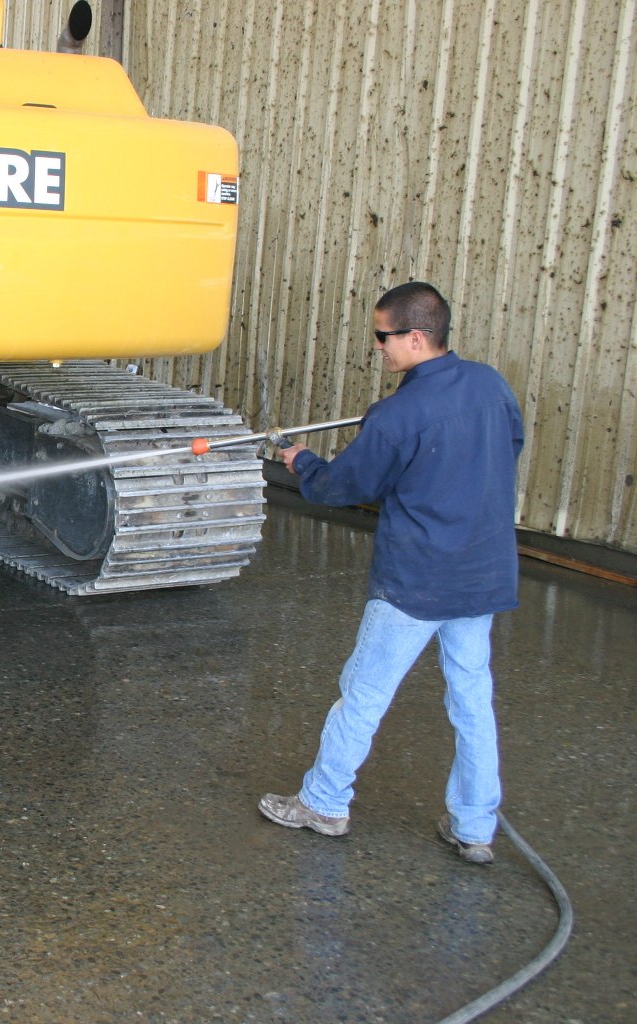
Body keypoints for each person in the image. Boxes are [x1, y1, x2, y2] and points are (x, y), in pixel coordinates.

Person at [258, 281, 524, 865]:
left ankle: (324, 802)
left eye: (383, 336)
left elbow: (346, 486)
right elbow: (511, 445)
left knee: (364, 694)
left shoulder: (397, 415)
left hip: (416, 582)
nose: (378, 346)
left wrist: (301, 460)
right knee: (472, 700)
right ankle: (475, 827)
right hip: (481, 573)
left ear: (416, 336)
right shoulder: (490, 386)